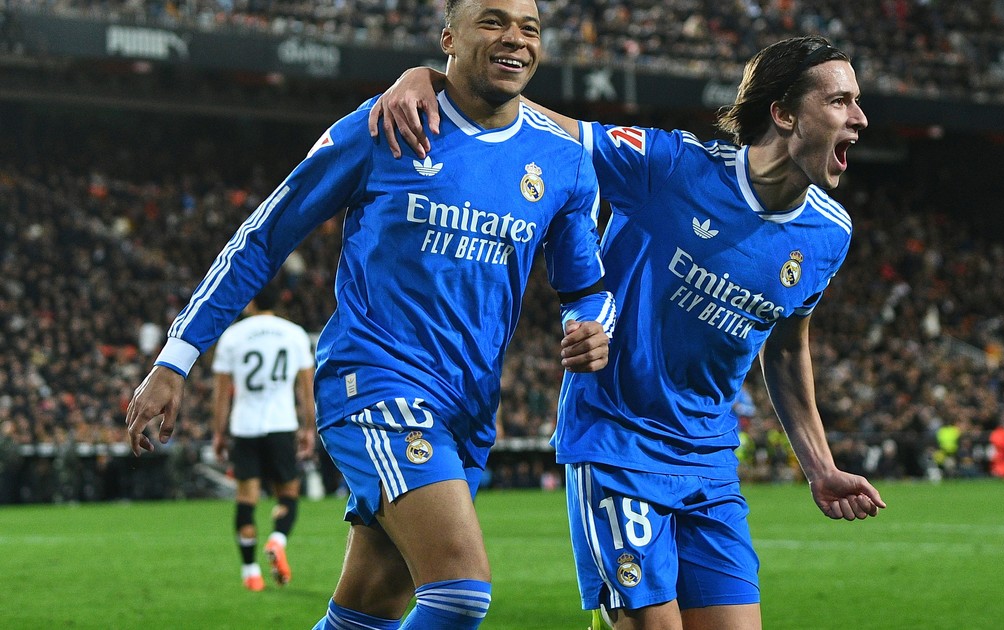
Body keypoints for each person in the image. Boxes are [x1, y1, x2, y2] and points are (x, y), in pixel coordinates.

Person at [125, 1, 615, 628]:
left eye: (530, 28)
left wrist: (589, 325)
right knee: (460, 593)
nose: (515, 38)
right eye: (493, 21)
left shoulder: (564, 160)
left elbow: (585, 287)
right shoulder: (386, 125)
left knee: (365, 614)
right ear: (449, 38)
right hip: (376, 383)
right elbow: (264, 238)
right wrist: (176, 358)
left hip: (468, 406)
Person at [373, 34, 885, 630]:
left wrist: (820, 467)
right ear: (784, 114)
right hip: (617, 442)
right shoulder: (670, 166)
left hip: (710, 461)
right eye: (841, 101)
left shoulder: (829, 233)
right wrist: (436, 81)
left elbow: (789, 350)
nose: (860, 118)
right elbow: (552, 129)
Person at [209, 280, 316, 591]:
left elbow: (221, 393)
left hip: (245, 427)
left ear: (250, 301)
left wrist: (219, 432)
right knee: (288, 494)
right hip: (282, 424)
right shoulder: (294, 334)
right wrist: (308, 428)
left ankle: (250, 572)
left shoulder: (233, 336)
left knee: (246, 499)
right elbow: (306, 389)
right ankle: (277, 540)